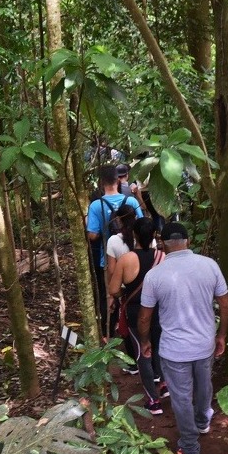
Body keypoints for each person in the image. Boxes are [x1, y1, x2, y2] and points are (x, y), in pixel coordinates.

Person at [138, 222, 228, 454]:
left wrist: (145, 341)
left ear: (163, 245)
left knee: (180, 396)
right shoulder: (209, 266)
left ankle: (190, 448)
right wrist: (221, 335)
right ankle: (202, 422)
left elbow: (145, 316)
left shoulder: (155, 275)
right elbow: (226, 304)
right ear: (188, 241)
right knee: (203, 385)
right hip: (204, 344)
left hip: (173, 349)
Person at [113, 218, 167, 414]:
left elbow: (113, 289)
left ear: (134, 235)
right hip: (160, 310)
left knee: (142, 354)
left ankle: (153, 401)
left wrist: (124, 295)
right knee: (160, 347)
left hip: (136, 311)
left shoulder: (126, 259)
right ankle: (165, 384)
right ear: (154, 235)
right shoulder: (163, 257)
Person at [86, 165, 142, 338]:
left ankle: (107, 333)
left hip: (108, 258)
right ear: (118, 180)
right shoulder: (131, 201)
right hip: (132, 256)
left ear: (101, 182)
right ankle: (133, 329)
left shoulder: (96, 205)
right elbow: (142, 226)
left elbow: (93, 235)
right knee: (132, 292)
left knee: (108, 294)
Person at [105, 202, 140, 372]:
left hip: (126, 289)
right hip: (144, 287)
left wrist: (111, 294)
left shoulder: (113, 241)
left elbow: (111, 270)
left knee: (126, 325)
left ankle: (133, 362)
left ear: (119, 220)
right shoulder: (143, 236)